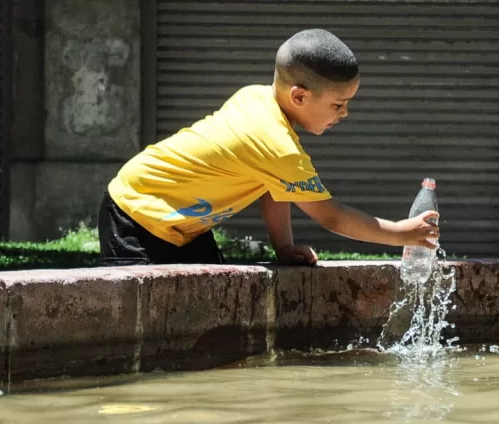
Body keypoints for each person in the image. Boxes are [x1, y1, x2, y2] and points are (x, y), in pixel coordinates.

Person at [98, 28, 439, 267]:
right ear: (300, 96)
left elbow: (272, 187)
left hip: (180, 221)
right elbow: (331, 216)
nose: (345, 113)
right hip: (137, 213)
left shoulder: (258, 98)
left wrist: (284, 247)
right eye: (338, 105)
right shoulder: (276, 144)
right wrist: (400, 234)